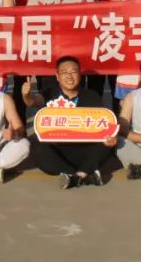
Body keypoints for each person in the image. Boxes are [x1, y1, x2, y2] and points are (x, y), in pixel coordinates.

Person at [22, 56, 115, 188]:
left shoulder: (92, 96)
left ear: (80, 74)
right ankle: (83, 175)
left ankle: (74, 176)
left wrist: (109, 138)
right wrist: (27, 95)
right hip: (58, 151)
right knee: (38, 147)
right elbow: (33, 101)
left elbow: (102, 126)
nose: (69, 76)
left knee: (106, 144)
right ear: (57, 76)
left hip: (84, 150)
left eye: (73, 72)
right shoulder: (50, 92)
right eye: (65, 72)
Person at [82, 0, 131, 105]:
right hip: (96, 39)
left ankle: (120, 124)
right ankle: (96, 123)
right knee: (95, 86)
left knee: (118, 86)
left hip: (118, 37)